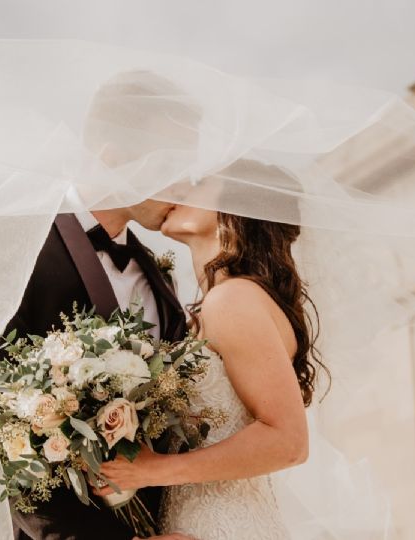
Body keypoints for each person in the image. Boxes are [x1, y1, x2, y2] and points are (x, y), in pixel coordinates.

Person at [0, 70, 198, 540]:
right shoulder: (13, 245)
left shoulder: (159, 278)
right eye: (172, 164)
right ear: (115, 157)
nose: (184, 185)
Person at [99, 160, 323, 539]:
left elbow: (289, 442)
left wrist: (153, 470)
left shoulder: (233, 300)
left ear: (235, 209)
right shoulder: (215, 303)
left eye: (199, 183)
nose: (179, 187)